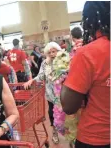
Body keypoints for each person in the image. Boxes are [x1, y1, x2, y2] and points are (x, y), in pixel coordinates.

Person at [60, 1, 110, 147]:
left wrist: (67, 78)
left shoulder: (88, 53)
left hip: (96, 136)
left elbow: (69, 106)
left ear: (89, 21)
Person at [23, 42, 62, 144]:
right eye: (50, 52)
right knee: (52, 114)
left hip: (64, 94)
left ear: (59, 51)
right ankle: (54, 133)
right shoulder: (45, 63)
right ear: (46, 54)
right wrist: (32, 80)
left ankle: (71, 136)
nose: (52, 54)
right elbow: (40, 76)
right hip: (51, 95)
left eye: (54, 51)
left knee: (67, 115)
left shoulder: (63, 61)